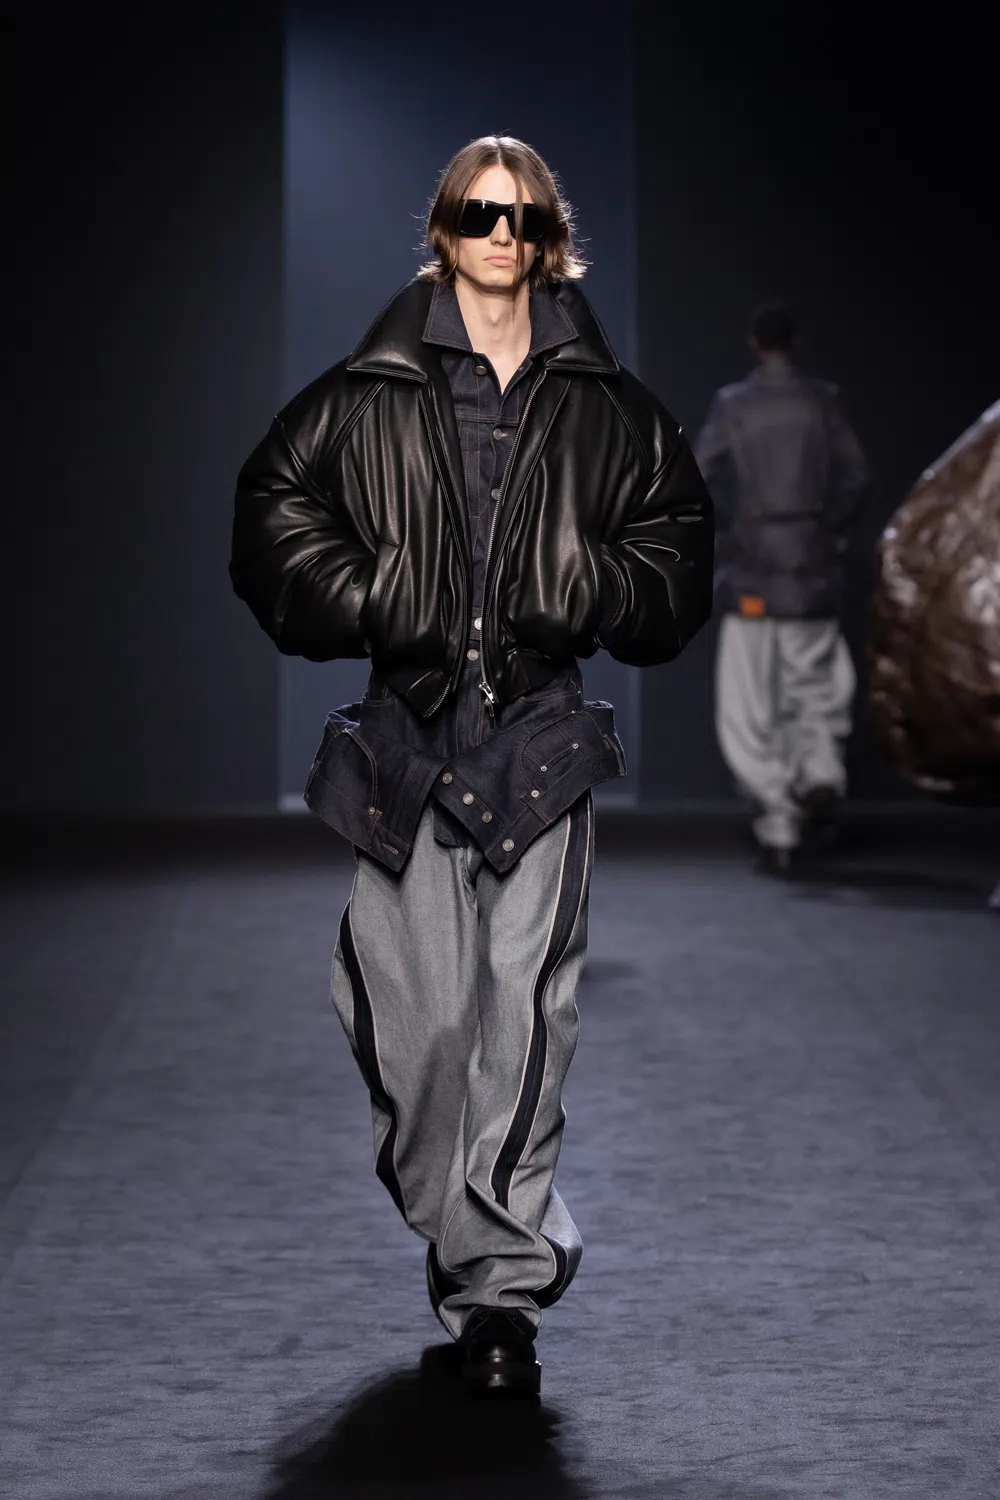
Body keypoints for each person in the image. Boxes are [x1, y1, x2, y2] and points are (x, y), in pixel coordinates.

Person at [230, 135, 713, 1396]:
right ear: (443, 228)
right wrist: (373, 594)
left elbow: (678, 556)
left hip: (539, 740)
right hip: (405, 741)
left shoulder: (607, 405)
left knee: (526, 1020)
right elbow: (271, 516)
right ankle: (465, 1228)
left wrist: (589, 584)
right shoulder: (371, 390)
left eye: (527, 217)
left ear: (553, 241)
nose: (505, 235)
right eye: (482, 213)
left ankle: (498, 1297)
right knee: (416, 1032)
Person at [694, 303, 869, 872]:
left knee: (751, 702)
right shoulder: (822, 400)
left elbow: (696, 475)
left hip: (753, 566)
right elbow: (855, 476)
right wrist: (829, 531)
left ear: (754, 343)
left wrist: (728, 530)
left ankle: (780, 824)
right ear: (796, 341)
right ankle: (820, 775)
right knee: (815, 681)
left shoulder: (735, 404)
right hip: (812, 561)